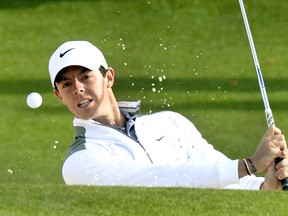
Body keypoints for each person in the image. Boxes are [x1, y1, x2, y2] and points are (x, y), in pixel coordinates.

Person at [48, 40, 288, 190]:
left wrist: (264, 187)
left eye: (86, 76)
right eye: (66, 85)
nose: (78, 88)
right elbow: (158, 181)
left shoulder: (171, 123)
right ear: (59, 95)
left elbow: (218, 172)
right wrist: (252, 164)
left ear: (108, 77)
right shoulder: (79, 162)